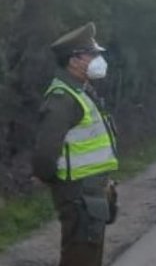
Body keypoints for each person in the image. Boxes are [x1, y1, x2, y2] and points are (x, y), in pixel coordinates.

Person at [32, 22, 119, 266]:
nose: (97, 59)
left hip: (90, 194)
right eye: (92, 54)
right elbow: (46, 151)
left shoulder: (81, 91)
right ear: (74, 60)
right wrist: (52, 181)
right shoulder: (63, 98)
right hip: (78, 196)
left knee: (88, 257)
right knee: (80, 259)